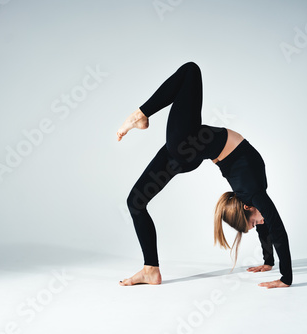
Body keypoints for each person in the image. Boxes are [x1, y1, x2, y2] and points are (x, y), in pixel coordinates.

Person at [116, 62, 292, 288]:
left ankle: (140, 115)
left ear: (246, 207)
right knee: (135, 202)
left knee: (191, 71)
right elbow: (275, 227)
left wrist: (271, 263)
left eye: (256, 224)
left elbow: (268, 223)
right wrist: (281, 273)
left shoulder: (252, 195)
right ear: (247, 209)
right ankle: (151, 269)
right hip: (188, 149)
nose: (260, 223)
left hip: (187, 147)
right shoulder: (254, 194)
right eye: (255, 224)